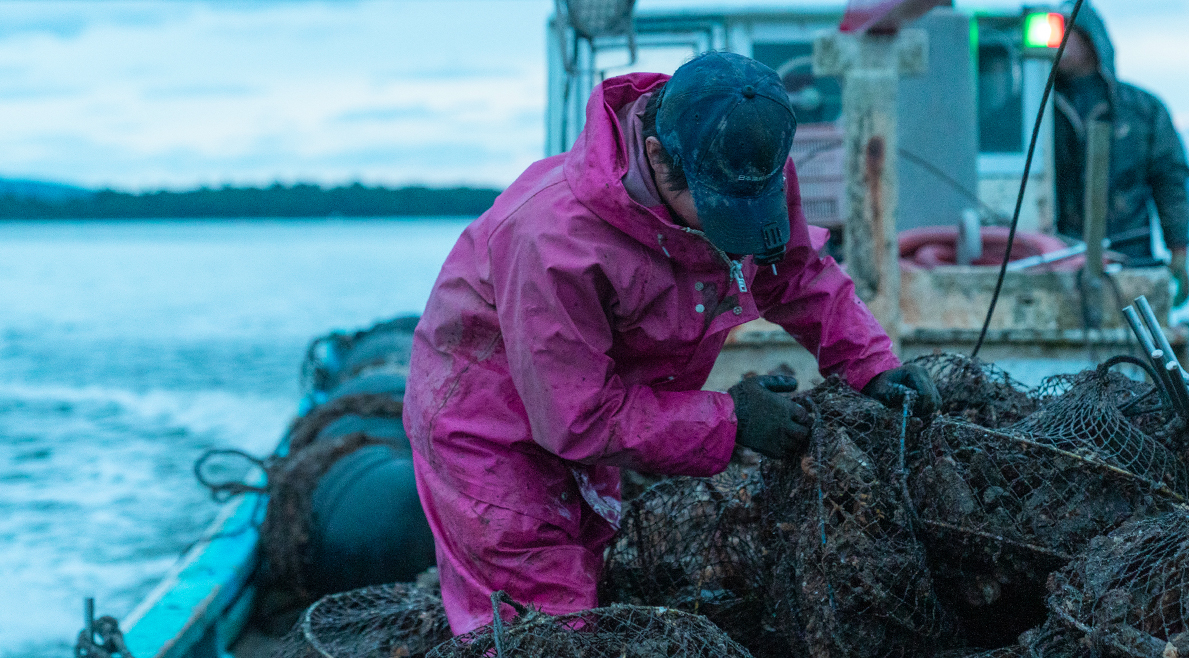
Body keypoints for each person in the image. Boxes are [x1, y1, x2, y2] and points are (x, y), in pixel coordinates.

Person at [402, 52, 939, 634]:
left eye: (746, 210)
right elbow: (577, 418)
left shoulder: (743, 158)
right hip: (486, 421)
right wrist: (731, 421)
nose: (731, 230)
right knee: (543, 618)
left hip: (601, 392)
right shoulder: (552, 240)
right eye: (716, 212)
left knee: (587, 559)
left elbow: (795, 272)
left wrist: (873, 365)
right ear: (656, 155)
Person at [1053, 1, 1189, 306]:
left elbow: (1170, 182)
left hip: (1131, 256)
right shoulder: (1033, 113)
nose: (1054, 39)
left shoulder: (1142, 110)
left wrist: (1179, 252)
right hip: (1055, 259)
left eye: (1063, 29)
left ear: (1091, 39)